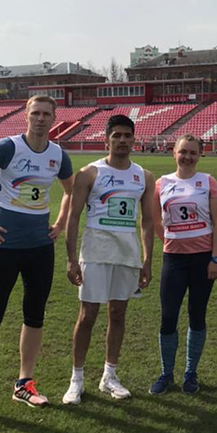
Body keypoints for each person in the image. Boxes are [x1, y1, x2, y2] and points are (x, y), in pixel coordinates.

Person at [0, 95, 74, 424]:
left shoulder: (58, 155)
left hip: (40, 250)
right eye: (35, 113)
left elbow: (71, 189)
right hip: (5, 248)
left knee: (34, 317)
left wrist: (60, 224)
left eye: (46, 114)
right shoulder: (8, 147)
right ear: (26, 116)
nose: (40, 119)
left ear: (54, 118)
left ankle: (24, 384)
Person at [63, 114, 154, 404]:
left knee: (118, 314)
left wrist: (147, 260)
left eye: (127, 135)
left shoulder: (144, 176)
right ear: (107, 140)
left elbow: (147, 222)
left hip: (127, 255)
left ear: (134, 140)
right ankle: (76, 379)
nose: (122, 140)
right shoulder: (90, 173)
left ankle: (109, 376)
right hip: (95, 252)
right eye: (117, 135)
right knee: (87, 316)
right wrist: (71, 259)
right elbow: (73, 217)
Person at [150, 135, 217, 395]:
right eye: (183, 152)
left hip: (203, 260)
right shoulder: (162, 183)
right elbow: (155, 221)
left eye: (193, 152)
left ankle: (191, 373)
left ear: (199, 155)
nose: (187, 157)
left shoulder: (208, 182)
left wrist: (215, 258)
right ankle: (166, 373)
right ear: (174, 153)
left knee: (197, 315)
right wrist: (171, 240)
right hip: (174, 260)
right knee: (168, 316)